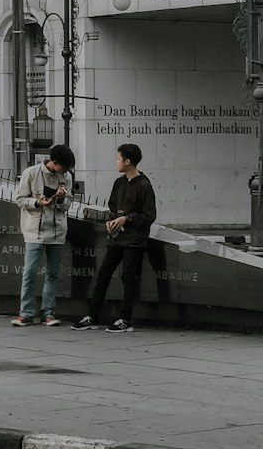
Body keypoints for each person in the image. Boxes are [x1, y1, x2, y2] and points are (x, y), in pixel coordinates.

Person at [72, 142, 156, 334]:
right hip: (117, 238)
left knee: (129, 278)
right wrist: (112, 220)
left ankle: (126, 319)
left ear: (127, 161)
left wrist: (127, 218)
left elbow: (149, 215)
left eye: (118, 158)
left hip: (135, 240)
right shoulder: (119, 183)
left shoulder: (144, 185)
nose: (116, 161)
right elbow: (112, 207)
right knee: (103, 275)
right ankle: (92, 316)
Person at [11, 143, 75, 326]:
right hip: (34, 231)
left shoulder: (66, 176)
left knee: (52, 274)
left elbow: (68, 204)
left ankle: (48, 312)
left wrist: (61, 199)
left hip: (57, 231)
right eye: (63, 167)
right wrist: (38, 203)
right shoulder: (31, 173)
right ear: (54, 162)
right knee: (30, 272)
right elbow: (20, 200)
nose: (64, 171)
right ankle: (26, 312)